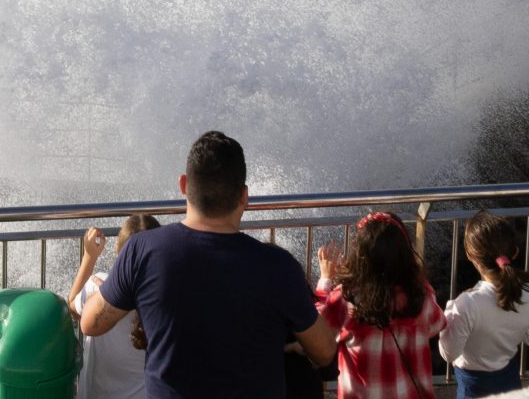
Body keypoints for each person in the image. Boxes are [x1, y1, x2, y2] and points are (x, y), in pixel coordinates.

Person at [82, 131, 336, 399]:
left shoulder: (142, 250)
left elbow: (90, 323)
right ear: (244, 196)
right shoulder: (278, 266)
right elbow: (324, 351)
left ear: (183, 185)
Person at [314, 212, 445, 399]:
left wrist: (325, 282)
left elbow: (316, 331)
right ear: (405, 253)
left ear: (359, 255)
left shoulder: (345, 298)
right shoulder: (421, 294)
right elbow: (435, 325)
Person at [439, 212, 529, 398]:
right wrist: (514, 326)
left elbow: (448, 354)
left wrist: (450, 309)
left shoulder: (467, 303)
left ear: (470, 255)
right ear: (515, 252)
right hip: (510, 382)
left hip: (472, 388)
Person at [70, 214, 160, 399]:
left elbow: (72, 307)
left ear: (118, 252)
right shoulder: (165, 298)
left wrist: (89, 257)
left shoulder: (98, 289)